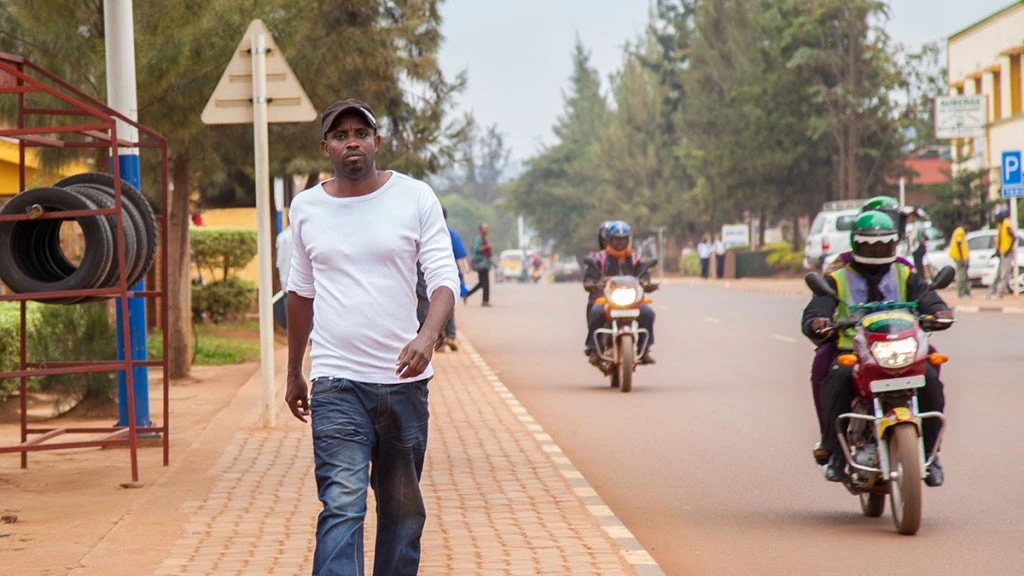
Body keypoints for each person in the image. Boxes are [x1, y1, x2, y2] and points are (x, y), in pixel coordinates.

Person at [284, 98, 460, 576]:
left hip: (404, 384)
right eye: (340, 136)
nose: (352, 142)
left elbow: (445, 278)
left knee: (403, 515)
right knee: (342, 505)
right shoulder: (307, 208)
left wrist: (427, 337)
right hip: (336, 383)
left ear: (377, 141)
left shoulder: (415, 197)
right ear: (326, 148)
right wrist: (294, 371)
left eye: (361, 132)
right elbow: (300, 294)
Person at [801, 210, 952, 486]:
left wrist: (939, 311)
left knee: (931, 379)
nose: (877, 249)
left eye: (884, 243)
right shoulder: (838, 278)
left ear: (894, 243)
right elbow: (817, 308)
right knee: (838, 377)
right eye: (870, 244)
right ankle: (836, 453)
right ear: (855, 243)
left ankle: (930, 454)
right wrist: (818, 321)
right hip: (855, 350)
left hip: (900, 346)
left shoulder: (904, 273)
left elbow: (927, 297)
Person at [583, 221, 657, 364]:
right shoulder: (599, 258)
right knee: (595, 312)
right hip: (606, 299)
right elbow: (590, 276)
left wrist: (647, 283)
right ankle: (593, 349)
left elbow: (644, 275)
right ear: (610, 239)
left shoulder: (635, 258)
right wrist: (591, 283)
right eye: (617, 239)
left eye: (623, 239)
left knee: (648, 313)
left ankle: (645, 348)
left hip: (631, 299)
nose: (620, 243)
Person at [988, 206, 1016, 299]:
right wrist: (997, 252)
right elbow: (1000, 239)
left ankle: (999, 293)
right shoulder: (1001, 225)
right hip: (1001, 252)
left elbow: (1013, 237)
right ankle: (993, 292)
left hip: (1006, 252)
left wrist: (1008, 250)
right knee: (999, 274)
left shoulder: (1006, 224)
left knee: (1004, 274)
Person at [465, 223, 493, 306]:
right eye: (485, 228)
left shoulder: (484, 239)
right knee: (485, 283)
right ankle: (485, 301)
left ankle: (467, 295)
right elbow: (476, 248)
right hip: (481, 263)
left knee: (482, 283)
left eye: (487, 228)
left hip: (485, 263)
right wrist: (487, 247)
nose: (486, 230)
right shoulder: (479, 239)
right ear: (481, 230)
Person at [949, 223, 970, 298]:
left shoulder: (959, 231)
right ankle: (961, 294)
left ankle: (965, 292)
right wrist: (961, 258)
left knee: (963, 275)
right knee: (961, 275)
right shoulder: (960, 232)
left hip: (959, 256)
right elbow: (958, 244)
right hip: (959, 257)